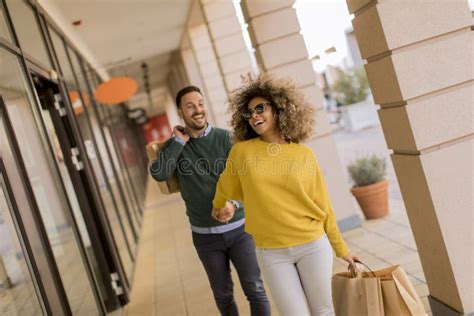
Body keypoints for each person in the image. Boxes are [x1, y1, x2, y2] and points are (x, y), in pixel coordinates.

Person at [212, 74, 358, 316]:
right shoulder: (241, 152)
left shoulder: (304, 155)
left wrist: (341, 249)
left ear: (279, 109)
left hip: (312, 244)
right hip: (271, 251)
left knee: (324, 311)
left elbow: (323, 205)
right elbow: (224, 185)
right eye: (249, 113)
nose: (255, 115)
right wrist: (218, 206)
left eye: (261, 108)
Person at [149, 85, 270, 316]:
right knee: (223, 295)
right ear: (180, 112)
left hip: (240, 231)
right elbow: (160, 173)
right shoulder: (177, 145)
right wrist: (178, 142)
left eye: (201, 104)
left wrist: (233, 205)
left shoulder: (226, 139)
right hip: (204, 237)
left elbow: (249, 182)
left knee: (254, 289)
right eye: (190, 106)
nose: (198, 110)